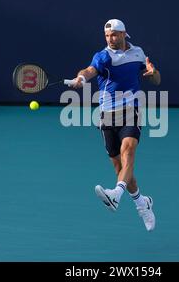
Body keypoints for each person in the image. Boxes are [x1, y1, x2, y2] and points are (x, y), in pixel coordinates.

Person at [71, 19, 161, 231]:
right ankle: (142, 203)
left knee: (128, 150)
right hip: (106, 116)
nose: (110, 39)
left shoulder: (138, 53)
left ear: (123, 34)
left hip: (132, 110)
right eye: (107, 36)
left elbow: (156, 80)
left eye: (114, 35)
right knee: (120, 167)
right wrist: (82, 78)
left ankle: (115, 195)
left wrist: (153, 73)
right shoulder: (102, 56)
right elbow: (90, 70)